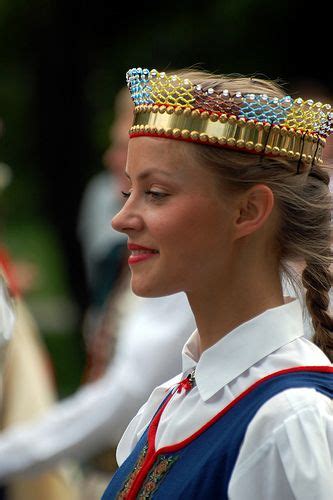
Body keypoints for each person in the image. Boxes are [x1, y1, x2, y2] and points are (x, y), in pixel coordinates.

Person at [102, 67, 333, 499]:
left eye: (155, 193)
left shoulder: (290, 419)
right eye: (127, 192)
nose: (121, 220)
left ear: (247, 211)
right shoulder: (169, 402)